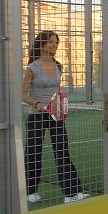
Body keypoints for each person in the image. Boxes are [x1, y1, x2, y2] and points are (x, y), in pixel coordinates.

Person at [21, 30, 89, 204]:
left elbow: (57, 90)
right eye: (51, 42)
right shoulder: (32, 68)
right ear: (42, 44)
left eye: (56, 43)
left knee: (62, 151)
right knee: (33, 153)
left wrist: (60, 102)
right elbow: (24, 95)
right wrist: (37, 104)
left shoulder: (59, 66)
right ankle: (30, 191)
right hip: (36, 116)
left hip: (54, 116)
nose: (54, 45)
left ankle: (71, 193)